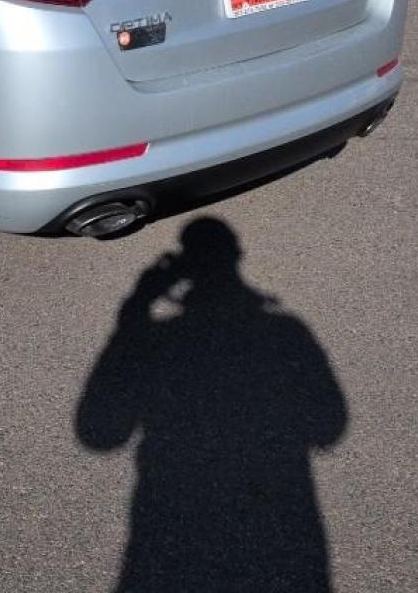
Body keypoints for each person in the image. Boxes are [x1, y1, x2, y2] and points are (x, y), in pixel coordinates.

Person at [76, 218, 348, 592]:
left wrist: (137, 309)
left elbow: (100, 433)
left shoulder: (156, 343)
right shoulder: (286, 332)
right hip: (281, 524)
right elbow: (328, 426)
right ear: (238, 257)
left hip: (170, 521)